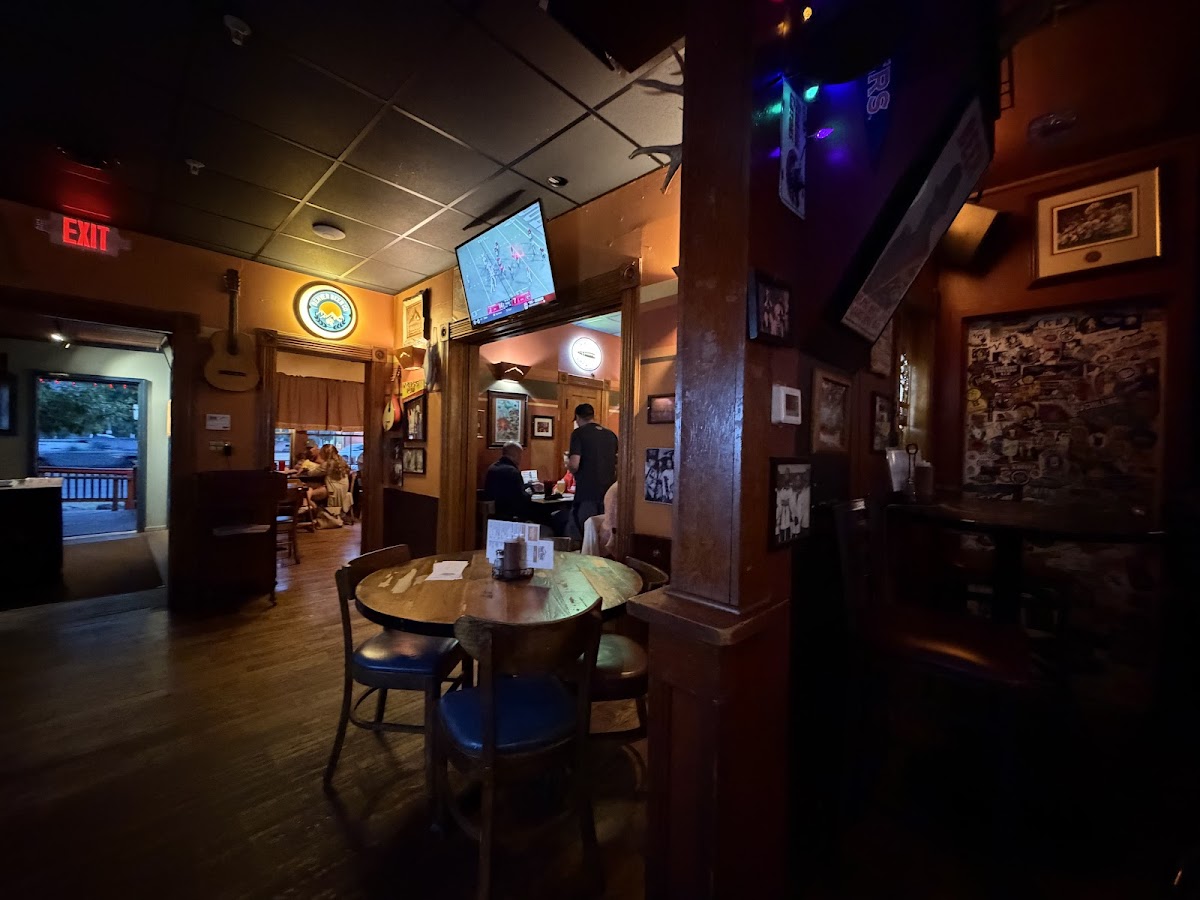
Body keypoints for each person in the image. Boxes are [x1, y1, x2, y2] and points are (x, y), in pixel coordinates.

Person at [567, 403, 617, 540]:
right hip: (608, 494)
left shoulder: (578, 433)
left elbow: (574, 464)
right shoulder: (611, 435)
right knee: (603, 537)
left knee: (581, 535)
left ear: (577, 417)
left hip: (586, 493)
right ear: (593, 416)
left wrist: (568, 463)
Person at [483, 442, 541, 524]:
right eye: (520, 455)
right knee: (542, 512)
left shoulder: (493, 468)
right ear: (515, 455)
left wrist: (530, 485)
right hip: (511, 515)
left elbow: (510, 488)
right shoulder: (512, 471)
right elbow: (521, 498)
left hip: (496, 514)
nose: (521, 458)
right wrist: (532, 491)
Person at [307, 444, 351, 528]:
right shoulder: (342, 461)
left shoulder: (327, 464)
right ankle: (316, 511)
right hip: (342, 490)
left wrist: (309, 467)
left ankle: (313, 509)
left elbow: (312, 473)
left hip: (332, 490)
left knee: (307, 492)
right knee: (312, 488)